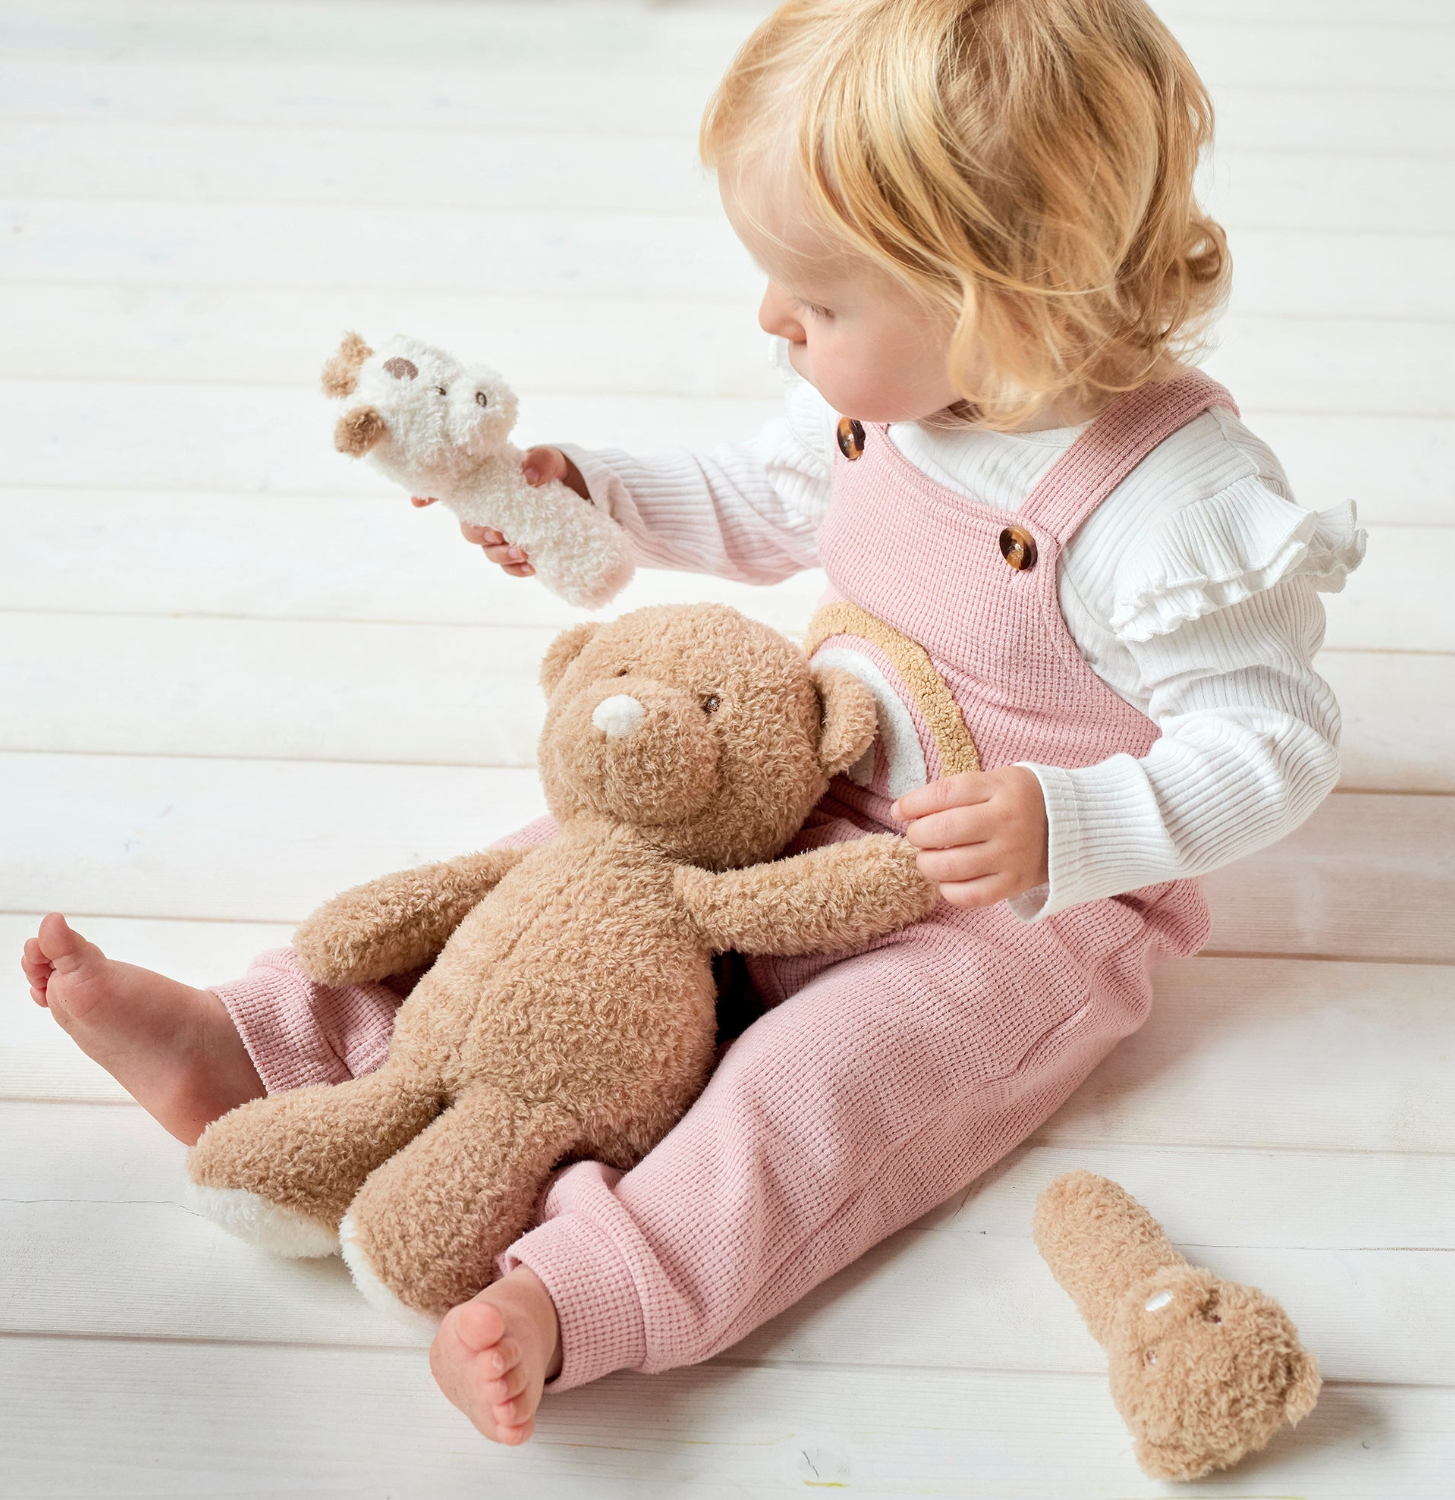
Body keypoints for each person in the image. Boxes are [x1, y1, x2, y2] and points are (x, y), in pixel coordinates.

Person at [21, 0, 1362, 1448]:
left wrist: (1077, 825)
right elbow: (764, 499)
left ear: (998, 300)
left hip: (1014, 909)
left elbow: (1275, 741)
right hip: (791, 776)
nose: (774, 320)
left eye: (817, 300)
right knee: (550, 885)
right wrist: (589, 495)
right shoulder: (889, 399)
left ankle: (583, 1288)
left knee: (821, 1084)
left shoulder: (1174, 505)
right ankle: (264, 1042)